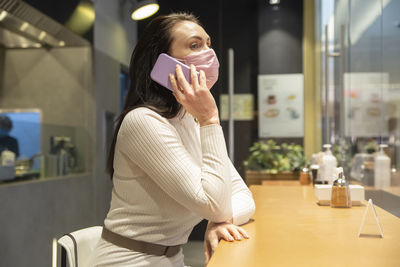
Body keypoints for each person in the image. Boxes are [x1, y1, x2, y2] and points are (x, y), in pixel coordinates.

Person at [89, 13, 255, 267]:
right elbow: (213, 203)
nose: (209, 54)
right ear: (162, 64)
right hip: (127, 261)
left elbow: (243, 196)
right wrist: (210, 119)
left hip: (172, 258)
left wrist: (220, 222)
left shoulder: (189, 120)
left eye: (208, 44)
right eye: (195, 45)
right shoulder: (143, 122)